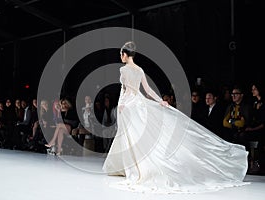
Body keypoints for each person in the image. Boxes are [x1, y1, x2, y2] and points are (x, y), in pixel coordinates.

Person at [102, 41, 249, 194]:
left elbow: (124, 90)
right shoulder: (139, 70)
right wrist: (160, 101)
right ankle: (132, 166)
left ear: (125, 54)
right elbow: (147, 89)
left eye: (121, 54)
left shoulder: (123, 69)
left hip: (129, 105)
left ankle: (132, 167)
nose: (120, 57)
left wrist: (121, 104)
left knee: (131, 135)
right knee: (136, 135)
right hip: (138, 103)